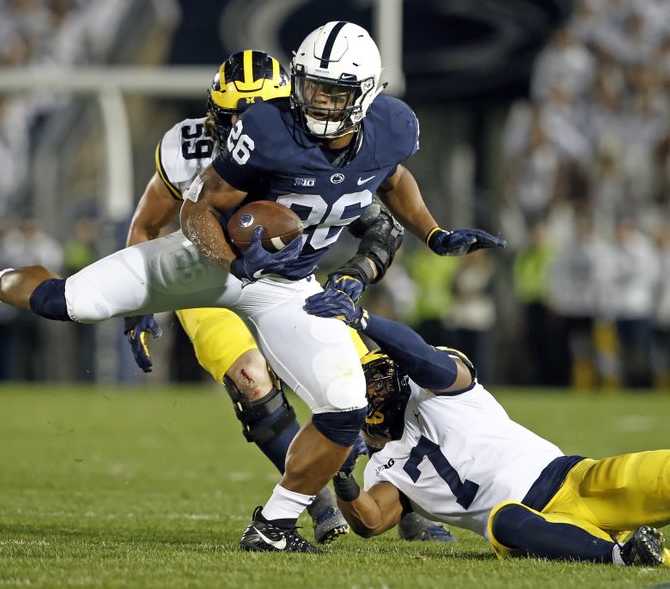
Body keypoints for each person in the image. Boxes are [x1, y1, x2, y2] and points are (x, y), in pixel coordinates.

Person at [0, 21, 504, 553]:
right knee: (73, 302)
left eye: (334, 91)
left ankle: (274, 524)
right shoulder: (265, 129)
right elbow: (196, 211)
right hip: (209, 260)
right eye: (312, 85)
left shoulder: (392, 128)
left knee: (346, 405)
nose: (318, 101)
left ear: (365, 97)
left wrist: (434, 232)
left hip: (286, 283)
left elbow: (393, 179)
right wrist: (229, 261)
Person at [122, 48, 453, 545]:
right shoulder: (188, 146)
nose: (241, 128)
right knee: (252, 379)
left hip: (288, 283)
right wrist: (138, 302)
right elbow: (148, 224)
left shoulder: (312, 145)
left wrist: (353, 277)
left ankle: (409, 504)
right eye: (230, 115)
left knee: (379, 383)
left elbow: (381, 228)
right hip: (206, 281)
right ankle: (317, 503)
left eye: (252, 114)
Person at [301, 288, 669, 566]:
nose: (375, 394)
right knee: (503, 520)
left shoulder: (438, 388)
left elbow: (426, 360)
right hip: (532, 524)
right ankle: (624, 556)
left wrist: (365, 320)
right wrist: (344, 478)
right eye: (371, 391)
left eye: (380, 386)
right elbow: (372, 521)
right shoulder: (384, 469)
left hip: (576, 478)